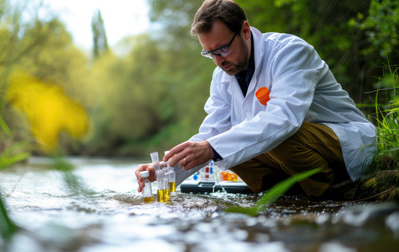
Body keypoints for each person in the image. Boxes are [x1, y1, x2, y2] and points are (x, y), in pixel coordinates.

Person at [135, 0, 376, 197]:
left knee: (244, 142)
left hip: (342, 144)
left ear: (245, 31)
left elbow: (284, 119)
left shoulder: (290, 52)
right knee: (225, 146)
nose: (219, 61)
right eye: (210, 54)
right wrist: (166, 170)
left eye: (223, 49)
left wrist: (212, 147)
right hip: (295, 157)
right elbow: (212, 134)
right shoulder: (222, 76)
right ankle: (282, 197)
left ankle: (331, 196)